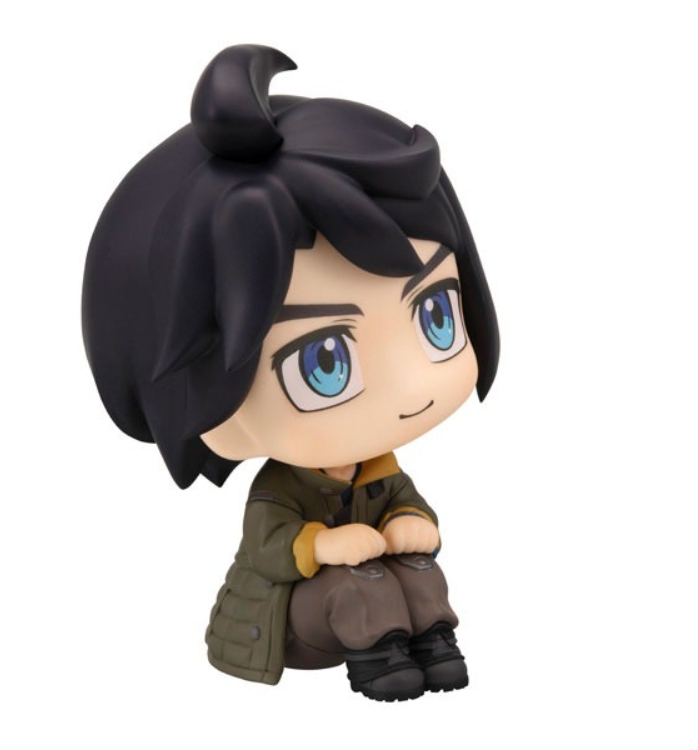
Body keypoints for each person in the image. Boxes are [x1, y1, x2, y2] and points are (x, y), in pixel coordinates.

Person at [83, 44, 500, 701]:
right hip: (288, 624)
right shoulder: (281, 490)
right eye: (323, 361)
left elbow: (405, 505)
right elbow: (270, 547)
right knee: (353, 585)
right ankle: (380, 659)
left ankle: (432, 640)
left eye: (435, 316)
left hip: (365, 592)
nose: (412, 385)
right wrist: (323, 546)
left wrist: (410, 520)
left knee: (417, 569)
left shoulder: (379, 471)